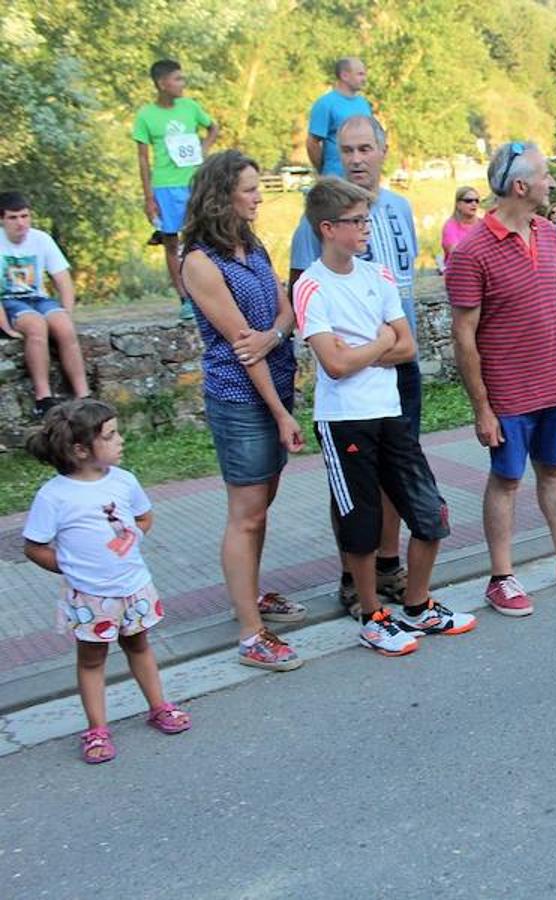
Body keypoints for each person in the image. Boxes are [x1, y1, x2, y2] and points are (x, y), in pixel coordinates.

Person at [295, 177, 473, 653]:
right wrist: (378, 344)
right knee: (362, 525)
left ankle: (417, 606)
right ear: (329, 228)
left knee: (429, 511)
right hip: (344, 420)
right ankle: (374, 616)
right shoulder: (311, 285)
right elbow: (332, 364)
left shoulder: (380, 277)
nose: (366, 228)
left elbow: (408, 346)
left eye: (367, 219)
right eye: (357, 221)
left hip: (389, 412)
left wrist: (361, 351)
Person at [448, 142, 556, 611]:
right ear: (520, 186)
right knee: (506, 481)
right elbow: (463, 337)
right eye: (544, 175)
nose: (552, 182)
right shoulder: (471, 251)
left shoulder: (546, 231)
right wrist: (482, 408)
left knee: (555, 471)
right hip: (508, 394)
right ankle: (501, 577)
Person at [289, 115, 422, 617]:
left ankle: (389, 565)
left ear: (385, 150)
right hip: (350, 384)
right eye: (347, 151)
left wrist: (389, 347)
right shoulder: (322, 218)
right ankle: (354, 574)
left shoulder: (401, 209)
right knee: (352, 479)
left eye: (365, 148)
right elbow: (303, 294)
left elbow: (403, 293)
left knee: (395, 473)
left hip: (397, 366)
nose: (357, 159)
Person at [181, 150, 306, 672]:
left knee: (261, 508)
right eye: (251, 189)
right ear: (222, 194)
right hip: (242, 399)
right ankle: (251, 633)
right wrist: (280, 413)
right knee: (246, 514)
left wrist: (276, 332)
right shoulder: (198, 262)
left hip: (274, 385)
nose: (259, 196)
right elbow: (242, 348)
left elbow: (287, 309)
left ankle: (250, 595)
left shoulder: (249, 246)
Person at [22, 399, 192, 764]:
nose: (121, 440)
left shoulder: (124, 481)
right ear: (81, 450)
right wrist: (72, 570)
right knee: (92, 660)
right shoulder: (54, 496)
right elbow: (33, 547)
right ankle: (97, 728)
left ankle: (159, 706)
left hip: (134, 588)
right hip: (91, 597)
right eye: (110, 435)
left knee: (140, 647)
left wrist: (131, 542)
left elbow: (144, 518)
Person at [132, 59, 218, 321]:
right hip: (166, 184)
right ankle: (184, 297)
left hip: (194, 181)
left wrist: (203, 150)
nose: (183, 84)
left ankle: (210, 291)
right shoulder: (146, 115)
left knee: (205, 235)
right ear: (162, 83)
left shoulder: (190, 107)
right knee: (172, 240)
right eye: (177, 79)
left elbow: (212, 126)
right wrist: (149, 198)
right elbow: (143, 159)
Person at [0, 192, 92, 418]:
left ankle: (84, 396)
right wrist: (6, 327)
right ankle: (44, 398)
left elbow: (63, 279)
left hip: (37, 298)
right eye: (13, 218)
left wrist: (67, 312)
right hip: (8, 300)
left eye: (24, 216)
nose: (21, 223)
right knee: (36, 326)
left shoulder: (41, 239)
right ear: (2, 219)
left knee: (63, 326)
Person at [306, 57, 372, 177]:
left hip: (361, 177)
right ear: (345, 76)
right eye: (360, 74)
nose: (364, 79)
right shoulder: (325, 104)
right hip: (336, 178)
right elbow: (312, 143)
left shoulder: (364, 103)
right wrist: (324, 170)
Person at [441, 185, 481, 260]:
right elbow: (456, 253)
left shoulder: (483, 224)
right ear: (458, 204)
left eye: (477, 200)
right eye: (468, 201)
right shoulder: (450, 227)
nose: (474, 204)